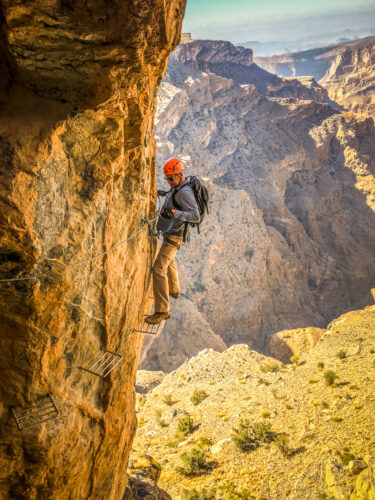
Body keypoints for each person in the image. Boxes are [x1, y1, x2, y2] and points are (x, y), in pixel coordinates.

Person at [145, 157, 200, 324]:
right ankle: (174, 290)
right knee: (169, 260)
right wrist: (162, 193)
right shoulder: (178, 187)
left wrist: (175, 214)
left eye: (171, 178)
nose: (169, 181)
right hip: (171, 233)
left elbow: (195, 216)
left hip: (174, 236)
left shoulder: (184, 192)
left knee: (159, 268)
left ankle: (162, 310)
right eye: (167, 179)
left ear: (180, 175)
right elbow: (172, 195)